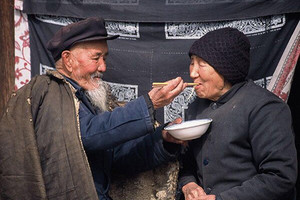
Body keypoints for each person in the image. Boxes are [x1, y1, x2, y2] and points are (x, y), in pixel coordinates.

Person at [0, 17, 188, 200]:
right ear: (68, 59)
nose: (103, 67)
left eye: (104, 57)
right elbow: (86, 135)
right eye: (96, 58)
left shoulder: (86, 100)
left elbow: (115, 157)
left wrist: (162, 139)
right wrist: (149, 103)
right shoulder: (50, 91)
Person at [178, 27, 297, 200]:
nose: (192, 73)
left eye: (201, 64)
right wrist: (189, 184)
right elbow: (187, 162)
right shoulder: (197, 107)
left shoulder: (265, 108)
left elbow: (280, 177)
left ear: (225, 68)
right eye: (192, 62)